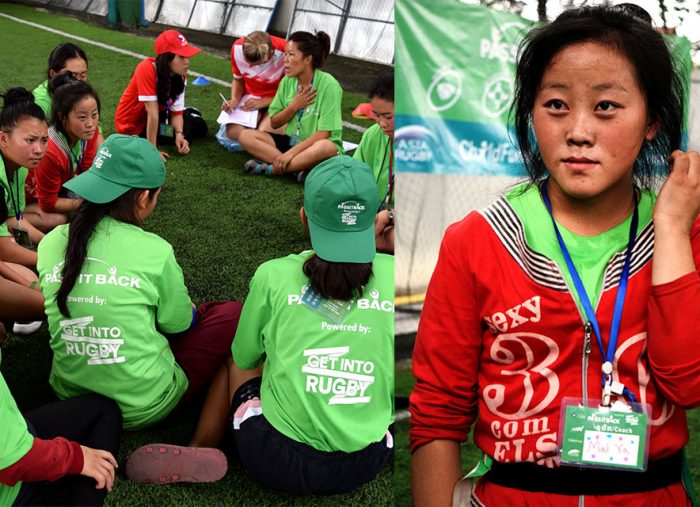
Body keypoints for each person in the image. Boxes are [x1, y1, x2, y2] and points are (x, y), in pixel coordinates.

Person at [410, 5, 699, 506]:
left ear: (651, 119)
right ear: (531, 112)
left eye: (606, 106)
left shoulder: (684, 236)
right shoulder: (476, 242)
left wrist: (672, 228)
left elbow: (690, 382)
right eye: (556, 105)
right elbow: (437, 412)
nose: (578, 131)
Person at [37, 135, 241, 481]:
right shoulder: (154, 250)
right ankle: (201, 441)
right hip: (144, 405)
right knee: (231, 313)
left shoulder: (51, 242)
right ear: (145, 197)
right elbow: (179, 327)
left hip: (69, 397)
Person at [239, 31, 343, 177]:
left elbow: (324, 133)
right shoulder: (287, 82)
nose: (285, 60)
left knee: (327, 147)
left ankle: (273, 168)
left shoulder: (329, 85)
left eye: (291, 55)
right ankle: (297, 169)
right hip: (291, 141)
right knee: (245, 136)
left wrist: (289, 155)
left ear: (308, 59)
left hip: (314, 145)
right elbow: (274, 122)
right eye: (285, 54)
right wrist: (294, 107)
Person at [24, 72, 100, 233]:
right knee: (59, 219)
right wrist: (85, 203)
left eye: (94, 115)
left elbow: (87, 170)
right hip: (23, 198)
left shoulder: (88, 134)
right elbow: (48, 203)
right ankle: (11, 222)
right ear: (62, 117)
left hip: (50, 190)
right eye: (82, 117)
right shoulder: (49, 150)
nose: (90, 124)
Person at [114, 30, 204, 162]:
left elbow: (176, 114)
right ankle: (189, 113)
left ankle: (188, 113)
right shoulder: (146, 68)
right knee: (191, 126)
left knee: (200, 127)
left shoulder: (181, 76)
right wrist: (152, 150)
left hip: (158, 115)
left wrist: (179, 135)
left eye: (187, 57)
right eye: (181, 57)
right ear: (167, 58)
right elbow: (152, 113)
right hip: (133, 126)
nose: (187, 62)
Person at [0, 88, 49, 264]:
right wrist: (52, 259)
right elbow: (3, 250)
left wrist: (49, 243)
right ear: (3, 139)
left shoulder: (20, 167)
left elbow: (14, 218)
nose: (39, 150)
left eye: (44, 140)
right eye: (30, 140)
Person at [221, 31, 287, 142]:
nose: (250, 67)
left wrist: (264, 102)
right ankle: (257, 127)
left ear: (269, 56)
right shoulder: (237, 48)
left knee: (264, 134)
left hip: (279, 100)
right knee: (233, 132)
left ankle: (261, 129)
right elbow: (238, 79)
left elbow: (294, 93)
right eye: (247, 62)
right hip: (250, 98)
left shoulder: (286, 52)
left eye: (256, 64)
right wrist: (234, 100)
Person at [353, 71, 394, 209]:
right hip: (372, 209)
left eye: (388, 117)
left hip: (404, 218)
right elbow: (355, 176)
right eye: (376, 115)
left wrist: (390, 216)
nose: (382, 123)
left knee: (392, 232)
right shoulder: (373, 134)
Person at [32, 43, 88, 118]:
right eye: (72, 76)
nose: (78, 82)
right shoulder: (40, 104)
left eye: (83, 75)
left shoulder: (86, 96)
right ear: (53, 74)